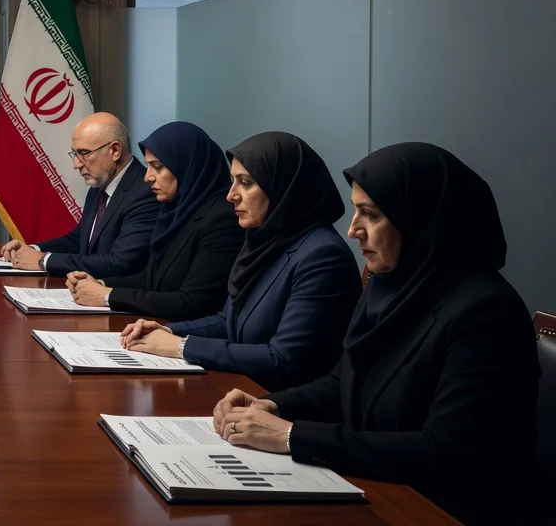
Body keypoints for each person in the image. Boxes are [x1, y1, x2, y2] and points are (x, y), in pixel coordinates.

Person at [211, 143, 539, 524]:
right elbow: (341, 383)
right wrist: (271, 405)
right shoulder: (390, 284)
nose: (352, 229)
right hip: (381, 488)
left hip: (451, 509)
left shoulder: (486, 312)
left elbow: (446, 453)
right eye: (355, 210)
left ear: (418, 217)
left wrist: (291, 436)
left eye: (370, 213)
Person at [119, 132, 359, 391]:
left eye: (245, 183)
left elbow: (284, 360)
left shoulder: (323, 257)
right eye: (233, 181)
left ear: (282, 185)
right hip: (242, 392)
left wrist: (183, 347)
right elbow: (227, 321)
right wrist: (170, 331)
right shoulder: (263, 238)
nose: (231, 195)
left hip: (281, 408)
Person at [66, 121, 243, 321]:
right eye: (148, 166)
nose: (148, 177)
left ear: (186, 166)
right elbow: (151, 279)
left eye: (157, 167)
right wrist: (99, 283)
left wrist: (107, 296)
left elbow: (193, 303)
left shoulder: (222, 218)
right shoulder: (174, 210)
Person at [0, 113, 159, 277]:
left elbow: (120, 263)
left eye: (84, 153)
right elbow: (78, 241)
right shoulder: (100, 185)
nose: (76, 164)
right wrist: (32, 250)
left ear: (115, 150)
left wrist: (43, 260)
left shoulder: (146, 192)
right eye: (75, 154)